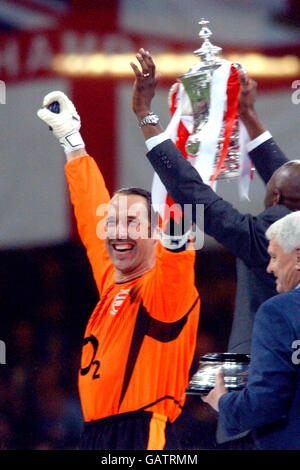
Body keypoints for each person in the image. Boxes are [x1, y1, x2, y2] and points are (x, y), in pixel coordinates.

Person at [36, 90, 200, 450]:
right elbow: (89, 208)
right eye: (112, 222)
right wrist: (72, 141)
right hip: (94, 433)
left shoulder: (165, 291)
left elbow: (178, 223)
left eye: (130, 221)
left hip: (141, 436)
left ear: (157, 232)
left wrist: (180, 134)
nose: (118, 231)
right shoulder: (114, 278)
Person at [130, 48, 300, 356]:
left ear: (275, 198)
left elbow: (196, 195)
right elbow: (287, 180)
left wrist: (145, 115)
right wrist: (247, 115)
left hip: (268, 364)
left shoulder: (270, 237)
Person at [202, 211, 300, 450]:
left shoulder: (279, 311)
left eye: (275, 257)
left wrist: (222, 401)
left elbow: (265, 402)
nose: (269, 267)